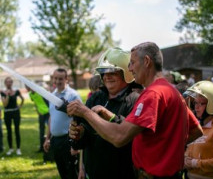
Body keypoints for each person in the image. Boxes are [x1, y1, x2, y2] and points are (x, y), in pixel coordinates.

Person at [67, 42, 203, 178]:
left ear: (147, 61)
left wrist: (85, 112)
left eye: (132, 63)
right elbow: (196, 130)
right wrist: (168, 150)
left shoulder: (152, 94)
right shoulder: (172, 91)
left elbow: (119, 137)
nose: (130, 68)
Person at [71, 47, 143, 179]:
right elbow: (84, 135)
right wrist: (78, 135)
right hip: (93, 173)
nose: (106, 76)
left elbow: (131, 137)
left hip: (121, 173)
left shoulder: (136, 100)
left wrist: (110, 117)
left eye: (112, 72)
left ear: (126, 74)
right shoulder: (95, 97)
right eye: (103, 72)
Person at [183, 81, 213, 179]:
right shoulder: (195, 127)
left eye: (201, 103)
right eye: (195, 103)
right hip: (189, 176)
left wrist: (196, 163)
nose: (196, 107)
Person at [43, 68, 81, 179]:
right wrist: (48, 138)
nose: (58, 81)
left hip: (68, 140)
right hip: (55, 140)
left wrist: (75, 142)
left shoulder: (73, 95)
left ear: (66, 79)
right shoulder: (52, 95)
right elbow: (51, 117)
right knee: (62, 172)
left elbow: (81, 118)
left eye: (60, 79)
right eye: (55, 78)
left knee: (71, 173)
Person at [0, 77, 24, 155]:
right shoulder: (3, 93)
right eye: (7, 82)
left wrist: (20, 106)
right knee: (9, 131)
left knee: (17, 130)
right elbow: (4, 104)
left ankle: (18, 148)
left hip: (16, 112)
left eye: (10, 82)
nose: (9, 83)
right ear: (5, 83)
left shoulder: (16, 91)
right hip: (7, 113)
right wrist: (7, 96)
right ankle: (10, 148)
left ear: (12, 83)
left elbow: (22, 99)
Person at [26, 85, 49, 153]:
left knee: (50, 130)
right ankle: (41, 147)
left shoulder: (39, 91)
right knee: (41, 130)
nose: (27, 88)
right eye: (26, 87)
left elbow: (47, 101)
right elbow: (35, 102)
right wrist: (37, 111)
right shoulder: (30, 94)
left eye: (28, 86)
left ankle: (50, 146)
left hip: (48, 112)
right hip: (41, 114)